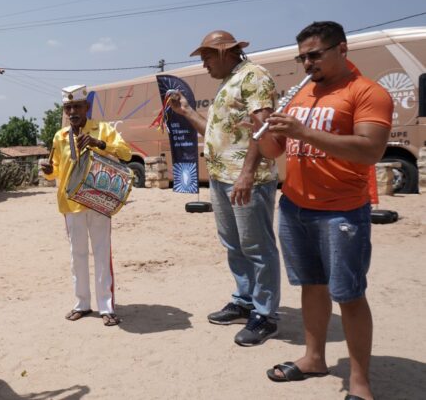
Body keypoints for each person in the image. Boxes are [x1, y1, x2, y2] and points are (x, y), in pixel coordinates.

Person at [254, 21, 392, 400]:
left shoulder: (367, 92)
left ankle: (360, 383)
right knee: (311, 286)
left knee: (348, 294)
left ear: (342, 49)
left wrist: (303, 132)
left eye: (314, 55)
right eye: (302, 57)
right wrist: (260, 129)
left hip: (342, 211)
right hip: (295, 207)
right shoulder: (302, 94)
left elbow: (370, 150)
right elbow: (274, 151)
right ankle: (314, 358)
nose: (307, 64)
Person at [168, 30, 281, 346]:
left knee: (257, 247)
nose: (204, 64)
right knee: (234, 244)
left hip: (247, 180)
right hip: (222, 178)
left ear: (224, 52)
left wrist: (247, 173)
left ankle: (266, 315)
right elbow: (216, 133)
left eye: (206, 57)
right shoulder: (228, 82)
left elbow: (262, 128)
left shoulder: (253, 76)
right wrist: (186, 112)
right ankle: (245, 301)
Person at [41, 85, 131, 327]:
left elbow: (126, 153)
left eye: (77, 107)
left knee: (102, 253)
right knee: (77, 255)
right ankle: (82, 303)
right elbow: (56, 170)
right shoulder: (59, 137)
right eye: (68, 108)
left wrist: (99, 143)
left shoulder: (102, 129)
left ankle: (106, 307)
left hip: (99, 201)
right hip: (70, 203)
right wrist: (49, 172)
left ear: (87, 107)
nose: (72, 112)